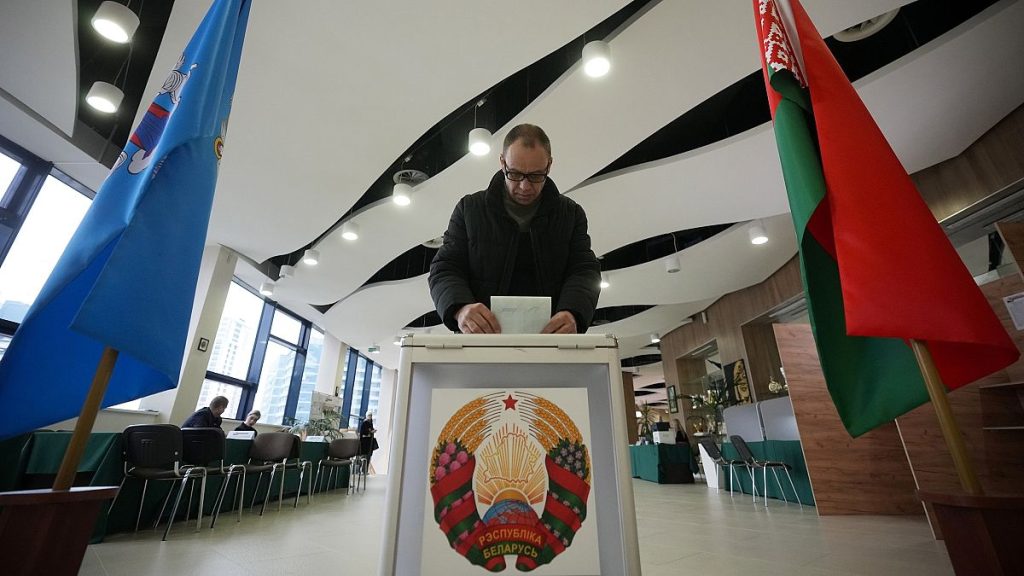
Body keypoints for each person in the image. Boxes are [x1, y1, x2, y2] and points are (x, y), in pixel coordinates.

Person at [429, 123, 601, 334]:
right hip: (481, 343)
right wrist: (460, 308)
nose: (524, 187)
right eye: (515, 174)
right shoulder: (469, 209)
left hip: (550, 346)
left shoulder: (571, 214)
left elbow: (584, 271)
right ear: (502, 163)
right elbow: (445, 268)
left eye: (536, 176)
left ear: (549, 165)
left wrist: (574, 311)